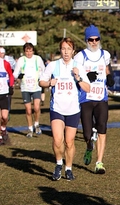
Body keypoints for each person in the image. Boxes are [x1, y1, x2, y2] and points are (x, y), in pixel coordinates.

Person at [39, 37, 90, 181]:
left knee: (69, 142)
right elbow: (41, 81)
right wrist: (49, 82)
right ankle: (58, 164)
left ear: (73, 51)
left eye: (69, 49)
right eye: (63, 49)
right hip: (57, 108)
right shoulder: (53, 65)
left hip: (73, 109)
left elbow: (87, 87)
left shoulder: (78, 66)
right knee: (57, 140)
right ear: (60, 50)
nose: (66, 52)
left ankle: (68, 168)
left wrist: (78, 77)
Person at [74, 25, 114, 174]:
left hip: (101, 98)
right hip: (86, 98)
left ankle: (99, 162)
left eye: (97, 39)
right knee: (86, 134)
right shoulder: (80, 56)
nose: (94, 42)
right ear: (86, 40)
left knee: (102, 127)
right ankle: (89, 146)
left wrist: (110, 76)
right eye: (91, 39)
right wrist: (84, 76)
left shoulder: (105, 54)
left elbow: (107, 67)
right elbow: (75, 73)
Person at [13, 43, 46, 138]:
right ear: (24, 52)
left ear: (33, 51)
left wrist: (42, 79)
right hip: (25, 88)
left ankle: (36, 123)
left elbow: (44, 71)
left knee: (36, 107)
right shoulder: (21, 60)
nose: (29, 53)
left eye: (30, 51)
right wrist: (18, 76)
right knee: (28, 110)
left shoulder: (37, 59)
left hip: (36, 87)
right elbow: (15, 73)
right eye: (27, 51)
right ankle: (30, 128)